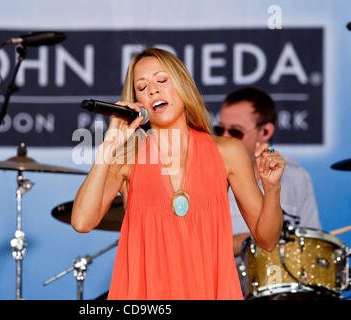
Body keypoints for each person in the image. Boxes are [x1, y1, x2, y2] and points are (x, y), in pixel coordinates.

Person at [71, 48, 286, 300]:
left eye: (162, 80)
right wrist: (108, 148)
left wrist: (272, 189)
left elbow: (268, 240)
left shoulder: (228, 151)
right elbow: (82, 222)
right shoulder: (127, 157)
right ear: (138, 103)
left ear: (183, 86)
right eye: (142, 87)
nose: (153, 90)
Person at [215, 86, 321, 296]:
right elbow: (196, 245)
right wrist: (251, 240)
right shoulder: (208, 174)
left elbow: (313, 246)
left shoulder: (297, 176)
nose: (225, 138)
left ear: (266, 132)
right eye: (220, 130)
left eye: (235, 131)